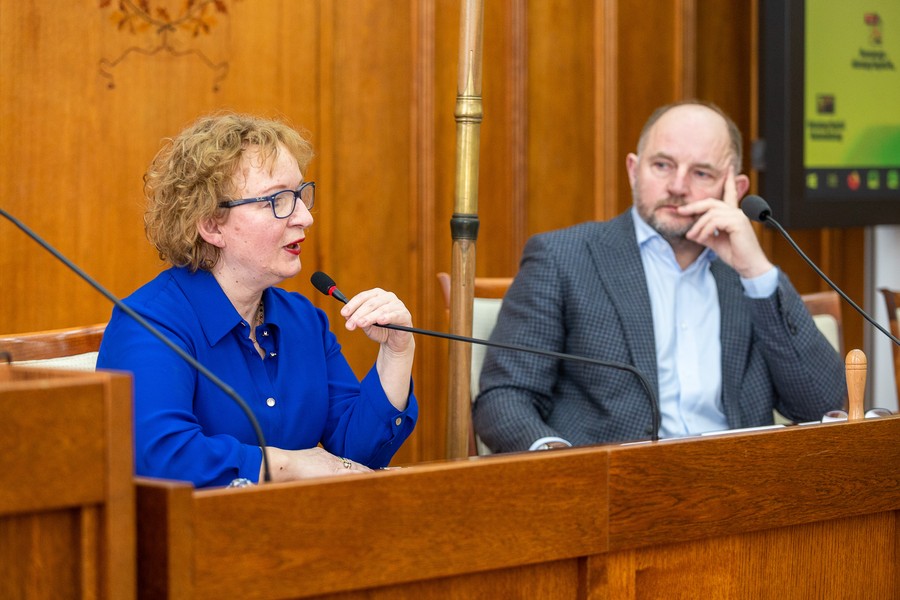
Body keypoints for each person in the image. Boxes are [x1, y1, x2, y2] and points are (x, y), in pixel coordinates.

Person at [473, 101, 845, 453]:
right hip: (614, 494)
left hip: (738, 490)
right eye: (662, 166)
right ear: (634, 170)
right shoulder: (565, 258)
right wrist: (562, 463)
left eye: (701, 173)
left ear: (736, 189)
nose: (678, 187)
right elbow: (505, 396)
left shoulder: (748, 279)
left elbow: (822, 405)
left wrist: (756, 272)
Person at [97, 112, 417, 487]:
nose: (304, 217)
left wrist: (397, 351)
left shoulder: (303, 320)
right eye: (278, 200)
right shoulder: (150, 323)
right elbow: (162, 457)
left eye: (301, 195)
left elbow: (355, 457)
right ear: (212, 225)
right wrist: (288, 465)